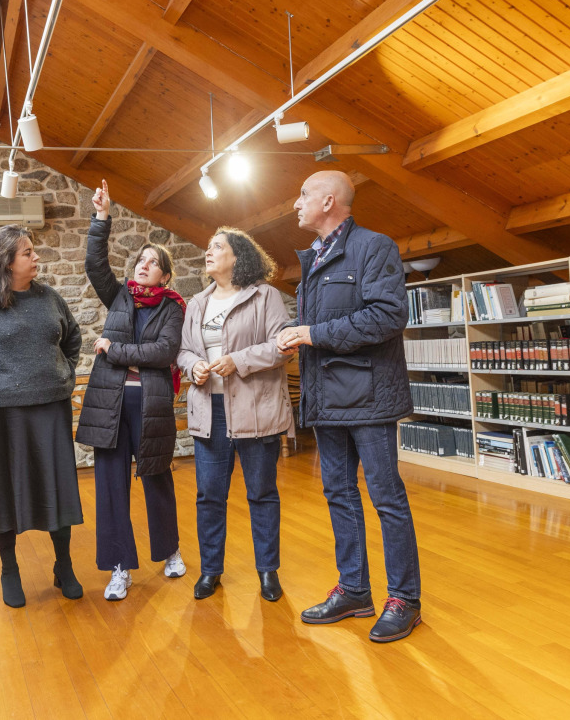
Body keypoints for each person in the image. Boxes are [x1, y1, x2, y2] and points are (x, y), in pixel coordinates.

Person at [276, 170, 423, 643]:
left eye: (302, 194)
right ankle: (355, 590)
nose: (295, 203)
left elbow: (387, 315)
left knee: (387, 500)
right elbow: (323, 324)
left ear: (329, 200)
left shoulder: (374, 246)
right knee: (338, 495)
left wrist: (313, 333)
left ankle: (404, 599)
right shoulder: (314, 257)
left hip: (370, 399)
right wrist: (296, 336)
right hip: (327, 399)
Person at [0, 224, 84, 609]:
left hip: (51, 410)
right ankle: (9, 570)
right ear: (6, 261)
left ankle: (64, 566)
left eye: (33, 251)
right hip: (0, 418)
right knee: (2, 495)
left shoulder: (50, 298)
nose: (36, 257)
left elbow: (72, 338)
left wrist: (64, 371)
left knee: (58, 490)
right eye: (28, 252)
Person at [76, 179, 187, 601]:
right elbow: (95, 265)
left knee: (156, 478)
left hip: (150, 406)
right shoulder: (119, 297)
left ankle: (170, 550)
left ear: (165, 274)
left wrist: (113, 349)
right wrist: (101, 217)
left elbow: (164, 352)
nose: (143, 265)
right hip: (110, 404)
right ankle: (119, 566)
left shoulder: (173, 308)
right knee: (110, 484)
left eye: (152, 261)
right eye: (140, 259)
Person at [177, 228, 293, 601]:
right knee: (209, 495)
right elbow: (182, 351)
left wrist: (238, 360)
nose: (208, 252)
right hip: (209, 412)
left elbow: (283, 346)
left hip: (255, 411)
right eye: (208, 246)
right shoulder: (196, 304)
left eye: (216, 247)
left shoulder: (265, 296)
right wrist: (193, 364)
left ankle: (268, 572)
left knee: (261, 493)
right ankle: (211, 571)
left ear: (237, 257)